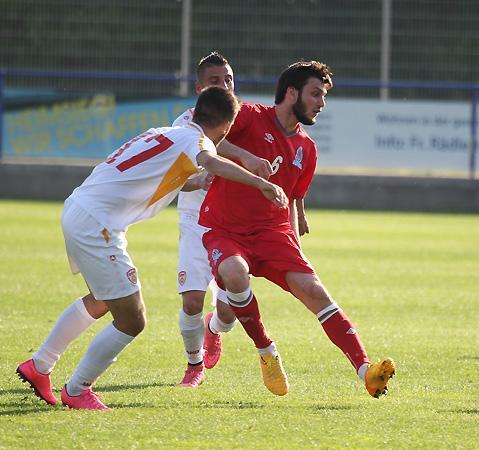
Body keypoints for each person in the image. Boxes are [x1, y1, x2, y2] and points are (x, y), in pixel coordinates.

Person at [15, 86, 287, 410]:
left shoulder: (166, 133)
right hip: (98, 224)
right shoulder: (198, 142)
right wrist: (262, 183)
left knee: (101, 300)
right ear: (226, 126)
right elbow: (211, 161)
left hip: (79, 208)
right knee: (132, 319)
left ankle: (40, 365)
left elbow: (155, 175)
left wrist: (196, 182)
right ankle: (77, 390)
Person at [200, 61, 396, 398]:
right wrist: (246, 157)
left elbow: (290, 200)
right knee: (234, 277)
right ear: (291, 93)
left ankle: (366, 371)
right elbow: (208, 141)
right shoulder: (249, 115)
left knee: (316, 292)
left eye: (324, 96)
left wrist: (296, 247)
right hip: (225, 229)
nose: (321, 103)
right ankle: (266, 350)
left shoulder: (308, 148)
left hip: (272, 234)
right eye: (315, 94)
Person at [172, 52, 308, 388]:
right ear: (200, 88)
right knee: (191, 299)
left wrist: (296, 213)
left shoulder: (247, 117)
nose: (224, 86)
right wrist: (203, 178)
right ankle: (194, 365)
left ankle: (214, 328)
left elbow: (290, 169)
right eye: (215, 81)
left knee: (228, 311)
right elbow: (183, 170)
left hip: (233, 225)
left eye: (228, 80)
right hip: (195, 219)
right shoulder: (186, 123)